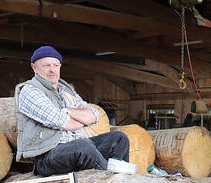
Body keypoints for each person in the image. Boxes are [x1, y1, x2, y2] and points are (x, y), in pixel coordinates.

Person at [15, 45, 130, 176]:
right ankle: (112, 179)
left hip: (76, 147)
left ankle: (119, 177)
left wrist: (66, 110)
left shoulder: (66, 89)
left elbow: (93, 115)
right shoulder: (30, 90)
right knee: (83, 146)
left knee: (119, 139)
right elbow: (60, 121)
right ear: (34, 67)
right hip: (48, 156)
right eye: (46, 65)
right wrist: (81, 120)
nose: (52, 70)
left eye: (56, 65)